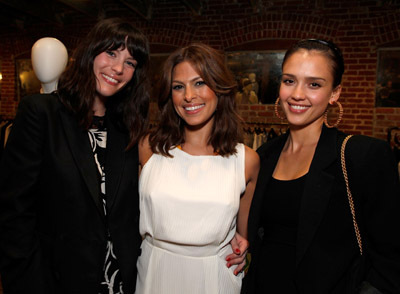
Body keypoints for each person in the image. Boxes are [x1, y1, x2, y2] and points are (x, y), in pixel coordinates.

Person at [0, 18, 150, 294]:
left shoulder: (127, 126)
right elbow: (14, 212)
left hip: (118, 281)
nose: (118, 68)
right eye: (112, 53)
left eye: (130, 62)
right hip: (55, 280)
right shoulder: (42, 113)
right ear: (91, 52)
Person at [242, 39, 400, 293]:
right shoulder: (264, 155)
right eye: (289, 80)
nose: (297, 94)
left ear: (335, 93)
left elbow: (390, 259)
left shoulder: (362, 156)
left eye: (314, 84)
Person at [136, 43, 260, 294]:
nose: (189, 96)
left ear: (220, 88)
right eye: (178, 87)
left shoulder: (245, 160)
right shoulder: (149, 148)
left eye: (200, 82)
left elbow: (243, 239)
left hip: (213, 279)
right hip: (154, 272)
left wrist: (244, 248)